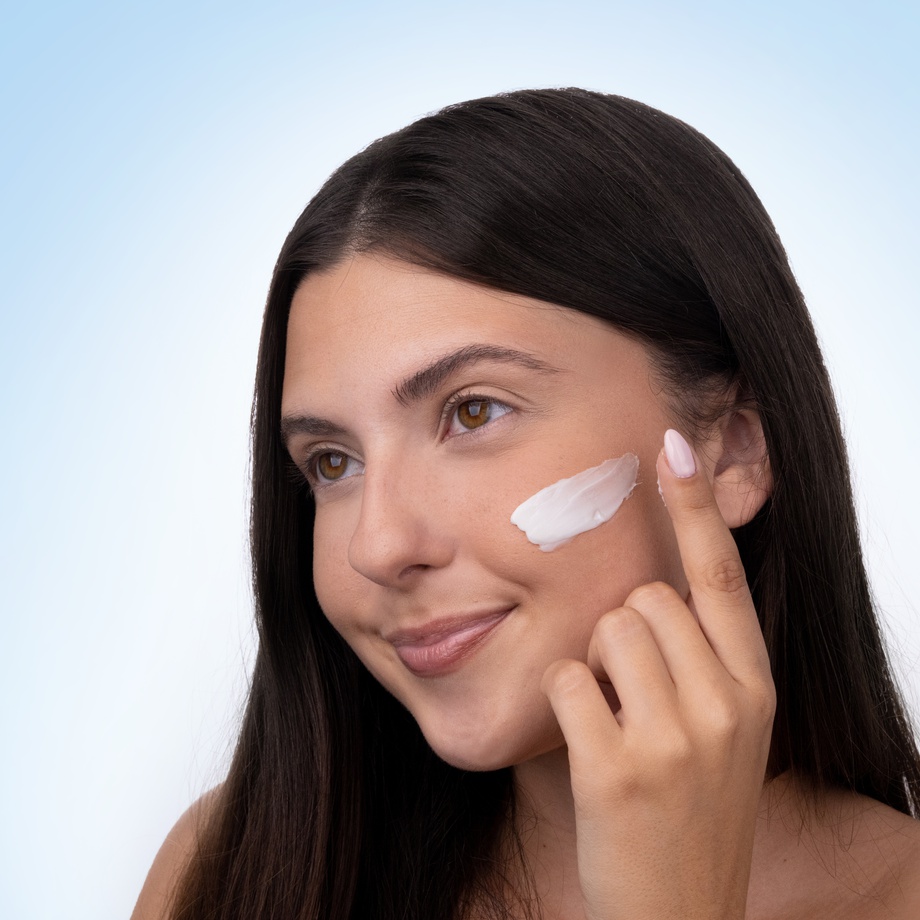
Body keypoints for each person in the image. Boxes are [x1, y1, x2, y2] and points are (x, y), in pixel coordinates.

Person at [132, 88, 920, 920]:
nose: (379, 545)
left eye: (474, 411)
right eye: (333, 463)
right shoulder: (231, 868)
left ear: (732, 449)